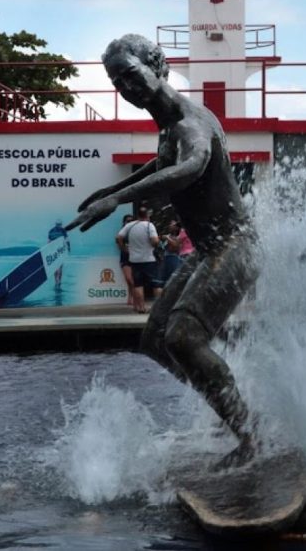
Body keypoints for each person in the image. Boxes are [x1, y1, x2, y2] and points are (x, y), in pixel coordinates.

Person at [67, 34, 259, 469]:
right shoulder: (170, 125)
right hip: (211, 249)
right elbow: (166, 162)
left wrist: (117, 200)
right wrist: (113, 188)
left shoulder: (191, 123)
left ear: (158, 66)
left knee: (183, 338)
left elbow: (189, 168)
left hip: (236, 246)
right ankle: (225, 403)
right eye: (118, 82)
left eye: (132, 76)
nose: (127, 89)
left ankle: (251, 435)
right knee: (155, 339)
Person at [117, 207, 160, 314]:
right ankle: (158, 308)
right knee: (156, 284)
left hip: (135, 260)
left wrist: (124, 248)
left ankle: (141, 307)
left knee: (138, 284)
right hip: (149, 259)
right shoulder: (149, 226)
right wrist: (155, 243)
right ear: (147, 216)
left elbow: (118, 238)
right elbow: (154, 241)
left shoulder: (130, 225)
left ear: (138, 215)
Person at [117, 214, 136, 306]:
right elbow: (119, 244)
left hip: (136, 258)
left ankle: (132, 297)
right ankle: (132, 297)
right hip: (125, 258)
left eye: (131, 221)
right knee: (129, 279)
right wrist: (126, 249)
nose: (129, 222)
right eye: (128, 221)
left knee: (133, 279)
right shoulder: (121, 233)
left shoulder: (136, 232)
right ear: (124, 222)